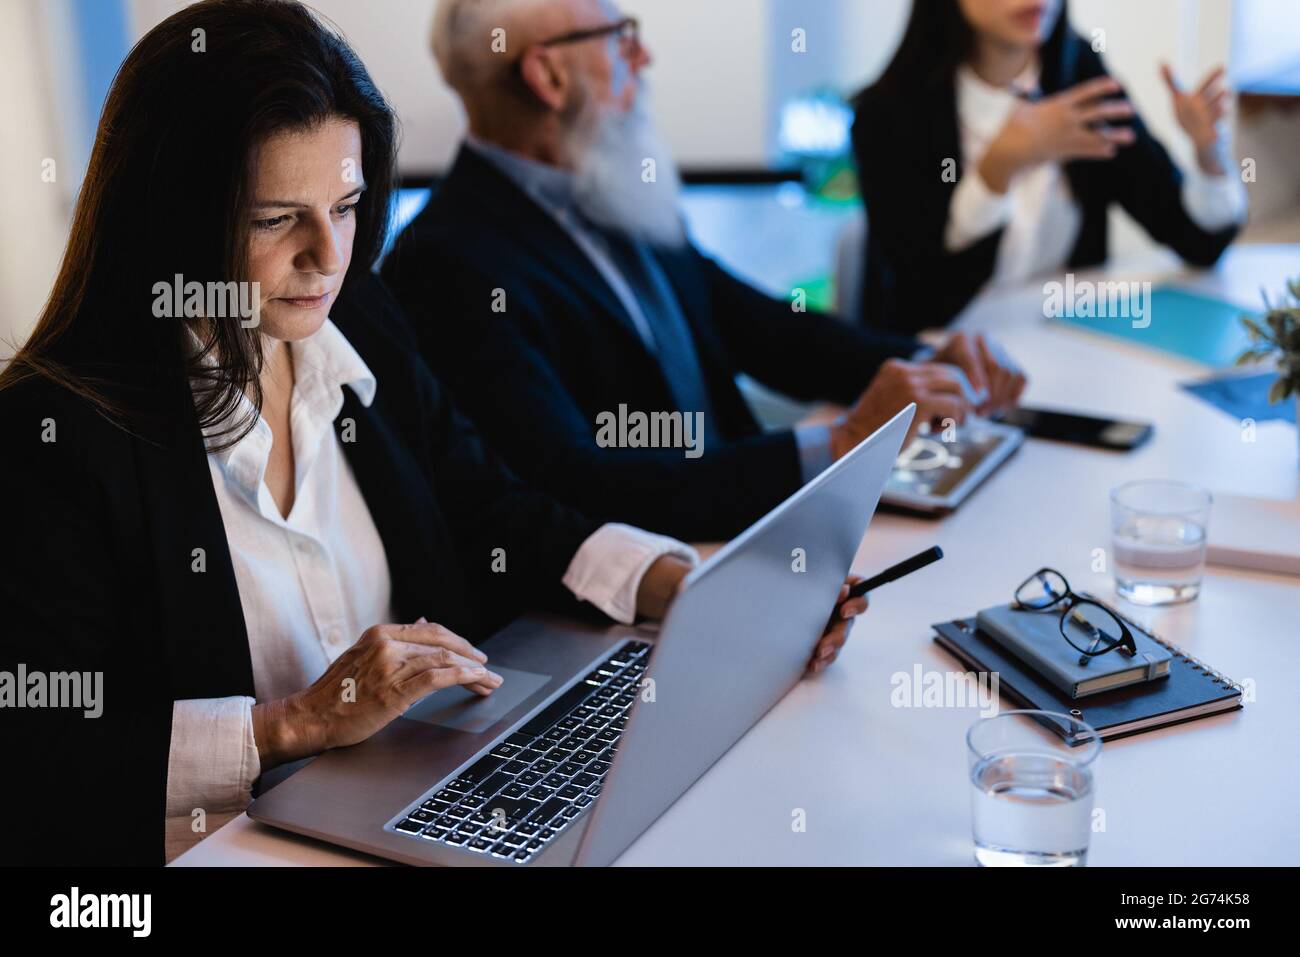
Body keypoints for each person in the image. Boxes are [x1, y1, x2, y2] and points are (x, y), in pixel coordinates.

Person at [0, 0, 865, 866]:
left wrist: (687, 585)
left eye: (344, 205)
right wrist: (293, 723)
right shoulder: (53, 431)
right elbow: (39, 750)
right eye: (275, 219)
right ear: (170, 221)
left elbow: (494, 510)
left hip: (407, 801)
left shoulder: (358, 324)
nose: (328, 257)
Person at [382, 0, 1027, 543]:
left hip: (749, 536)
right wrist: (841, 442)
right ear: (548, 76)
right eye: (619, 38)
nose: (644, 58)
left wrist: (932, 361)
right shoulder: (446, 264)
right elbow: (575, 483)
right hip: (658, 578)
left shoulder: (604, 184)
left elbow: (765, 329)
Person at [851, 0, 1248, 334]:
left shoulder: (1081, 77)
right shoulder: (888, 116)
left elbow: (1197, 243)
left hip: (1067, 353)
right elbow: (921, 306)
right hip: (944, 376)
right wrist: (997, 170)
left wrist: (1209, 154)